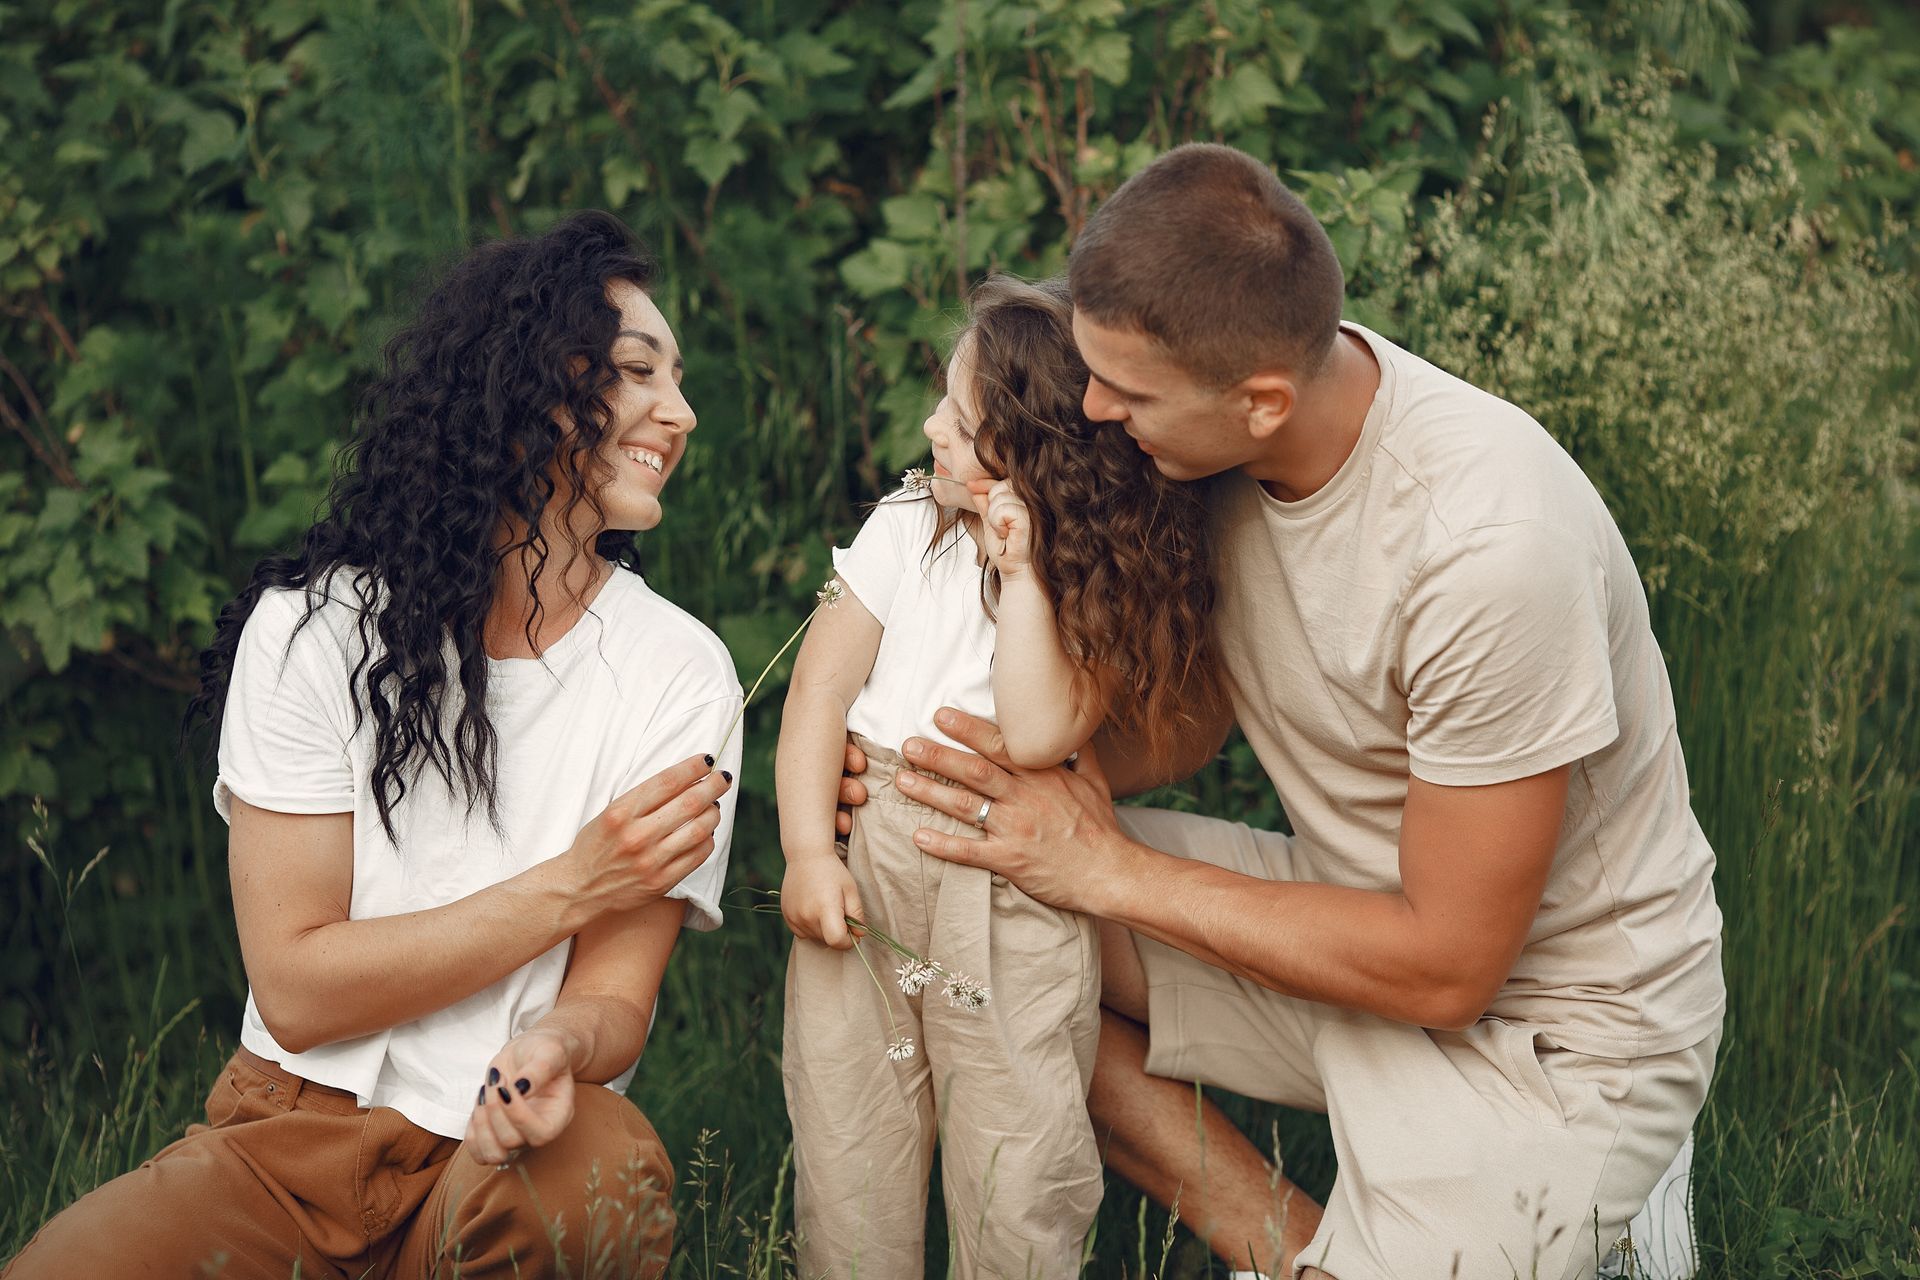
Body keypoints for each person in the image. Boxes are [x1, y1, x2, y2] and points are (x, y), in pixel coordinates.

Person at [844, 145, 1726, 1280]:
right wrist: (946, 766)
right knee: (978, 896)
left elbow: (1453, 967)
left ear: (1261, 400)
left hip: (1553, 1021)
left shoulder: (1491, 549)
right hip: (1340, 918)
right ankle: (1293, 1251)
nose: (1099, 410)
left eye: (1129, 391)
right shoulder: (1196, 433)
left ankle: (1608, 1185)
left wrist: (1107, 870)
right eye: (1095, 372)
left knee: (1058, 889)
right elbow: (1189, 723)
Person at [2, 212, 741, 1280]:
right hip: (288, 1140)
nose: (680, 413)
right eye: (639, 373)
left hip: (505, 1145)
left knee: (603, 1173)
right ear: (528, 388)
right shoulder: (315, 628)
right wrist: (573, 883)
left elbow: (616, 998)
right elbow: (299, 985)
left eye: (677, 378)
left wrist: (557, 1047)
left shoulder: (682, 671)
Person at [776, 275, 1222, 1279]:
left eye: (961, 415)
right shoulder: (904, 528)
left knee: (1020, 1151)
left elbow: (1034, 732)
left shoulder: (1087, 576)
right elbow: (817, 693)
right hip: (869, 864)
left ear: (1027, 452)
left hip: (1012, 889)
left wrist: (1021, 576)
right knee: (854, 1135)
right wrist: (808, 848)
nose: (932, 422)